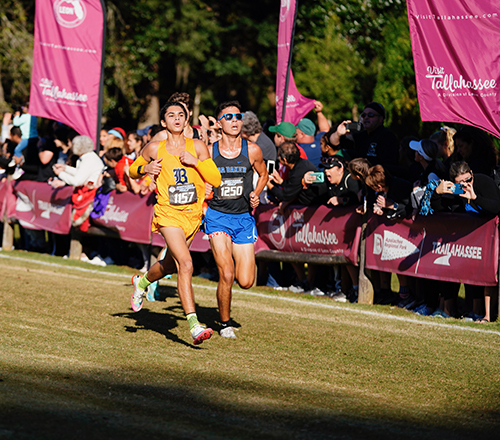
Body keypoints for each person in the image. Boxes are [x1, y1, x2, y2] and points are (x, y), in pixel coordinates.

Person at [127, 100, 221, 345]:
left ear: (187, 119)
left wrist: (195, 162)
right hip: (168, 213)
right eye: (171, 115)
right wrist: (145, 168)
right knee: (186, 264)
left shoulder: (198, 146)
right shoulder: (154, 147)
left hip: (192, 215)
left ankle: (143, 281)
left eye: (181, 115)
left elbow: (216, 179)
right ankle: (194, 325)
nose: (177, 119)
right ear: (163, 121)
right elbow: (132, 170)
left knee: (169, 265)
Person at [204, 101, 268, 339]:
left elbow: (264, 174)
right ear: (219, 123)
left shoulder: (251, 150)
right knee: (227, 273)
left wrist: (256, 193)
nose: (234, 120)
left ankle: (225, 313)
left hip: (243, 218)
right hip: (217, 217)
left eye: (237, 116)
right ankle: (224, 323)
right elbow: (197, 176)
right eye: (228, 117)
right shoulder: (209, 151)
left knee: (246, 281)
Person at [53, 135, 105, 232]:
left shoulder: (89, 159)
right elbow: (80, 173)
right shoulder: (86, 158)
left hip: (90, 195)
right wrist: (65, 168)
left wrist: (60, 174)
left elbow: (77, 181)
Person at [330, 102, 399, 167]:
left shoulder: (388, 137)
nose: (366, 117)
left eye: (370, 115)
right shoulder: (360, 136)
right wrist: (338, 133)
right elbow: (333, 143)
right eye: (363, 115)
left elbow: (389, 165)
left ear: (380, 119)